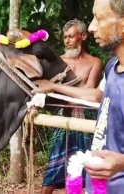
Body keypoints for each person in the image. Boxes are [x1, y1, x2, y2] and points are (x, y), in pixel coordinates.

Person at [33, 0, 124, 192]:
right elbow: (96, 95)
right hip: (99, 185)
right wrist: (50, 88)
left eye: (98, 18)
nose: (91, 27)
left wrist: (121, 163)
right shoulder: (112, 67)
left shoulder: (96, 63)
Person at [40, 19, 103, 194]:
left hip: (86, 117)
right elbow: (46, 89)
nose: (67, 40)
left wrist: (61, 90)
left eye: (71, 36)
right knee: (54, 163)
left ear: (83, 36)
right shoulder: (58, 62)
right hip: (63, 115)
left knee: (85, 162)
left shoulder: (94, 62)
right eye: (65, 37)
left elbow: (90, 93)